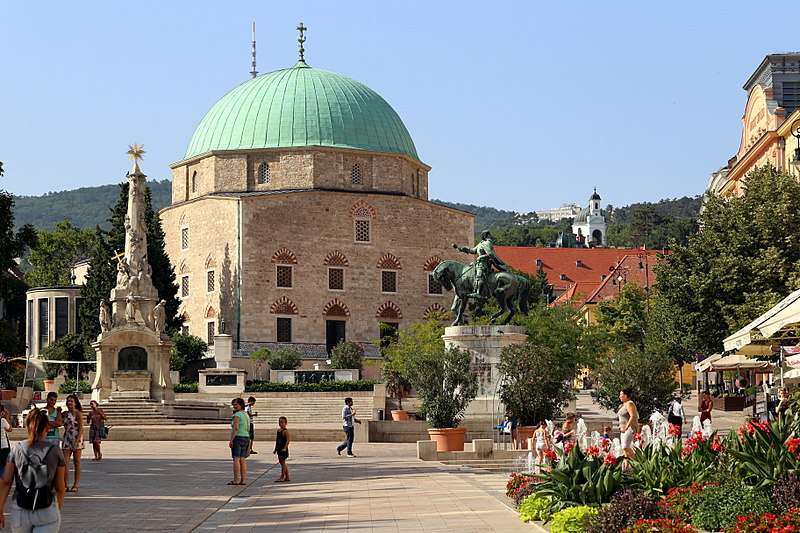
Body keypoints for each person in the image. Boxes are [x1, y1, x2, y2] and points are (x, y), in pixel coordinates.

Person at [0, 408, 66, 532]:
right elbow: (60, 488)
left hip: (20, 511)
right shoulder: (55, 450)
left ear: (27, 427)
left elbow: (6, 482)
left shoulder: (16, 449)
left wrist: (0, 508)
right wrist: (56, 509)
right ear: (47, 428)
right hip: (47, 509)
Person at [452, 229, 508, 300]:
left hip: (484, 263)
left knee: (479, 275)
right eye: (489, 235)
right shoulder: (481, 244)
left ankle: (478, 293)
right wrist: (461, 248)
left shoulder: (487, 243)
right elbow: (472, 250)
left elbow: (490, 254)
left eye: (490, 235)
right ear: (486, 236)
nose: (490, 236)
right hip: (478, 263)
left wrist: (481, 257)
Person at [61, 394, 84, 493]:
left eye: (71, 401)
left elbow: (81, 428)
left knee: (76, 462)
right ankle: (65, 484)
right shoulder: (65, 413)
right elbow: (59, 422)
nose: (69, 403)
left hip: (76, 438)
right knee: (65, 462)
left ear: (75, 403)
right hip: (67, 438)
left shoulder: (78, 413)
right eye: (68, 401)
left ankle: (76, 484)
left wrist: (77, 440)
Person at [228, 398, 250, 485]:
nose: (234, 406)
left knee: (236, 459)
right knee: (242, 459)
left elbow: (236, 428)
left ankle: (236, 479)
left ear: (241, 405)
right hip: (246, 437)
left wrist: (231, 440)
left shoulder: (237, 415)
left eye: (236, 404)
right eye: (233, 404)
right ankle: (243, 480)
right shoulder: (246, 415)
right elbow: (248, 428)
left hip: (238, 437)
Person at [618, 388, 639, 461]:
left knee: (625, 447)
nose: (620, 396)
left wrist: (626, 427)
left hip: (629, 429)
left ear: (626, 395)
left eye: (621, 395)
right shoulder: (624, 404)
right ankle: (626, 468)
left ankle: (638, 463)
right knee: (624, 451)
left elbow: (632, 416)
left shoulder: (630, 403)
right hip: (623, 430)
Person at [273, 416, 290, 483]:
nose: (281, 424)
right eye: (280, 422)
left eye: (282, 422)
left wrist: (285, 447)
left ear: (286, 423)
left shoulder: (285, 431)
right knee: (282, 462)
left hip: (283, 449)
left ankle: (282, 476)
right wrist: (275, 449)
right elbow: (277, 441)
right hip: (279, 449)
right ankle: (287, 476)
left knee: (282, 462)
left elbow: (288, 440)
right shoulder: (278, 431)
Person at [0, 405, 12, 478]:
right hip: (3, 447)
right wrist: (7, 417)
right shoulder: (2, 420)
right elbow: (10, 429)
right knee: (4, 466)